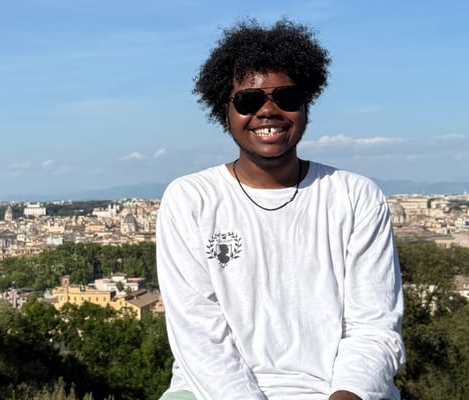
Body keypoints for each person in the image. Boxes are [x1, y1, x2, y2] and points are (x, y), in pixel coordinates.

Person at [156, 18, 405, 400]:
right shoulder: (191, 199)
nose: (268, 111)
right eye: (249, 100)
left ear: (306, 105)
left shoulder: (356, 196)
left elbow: (374, 327)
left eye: (286, 98)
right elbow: (198, 335)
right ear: (224, 110)